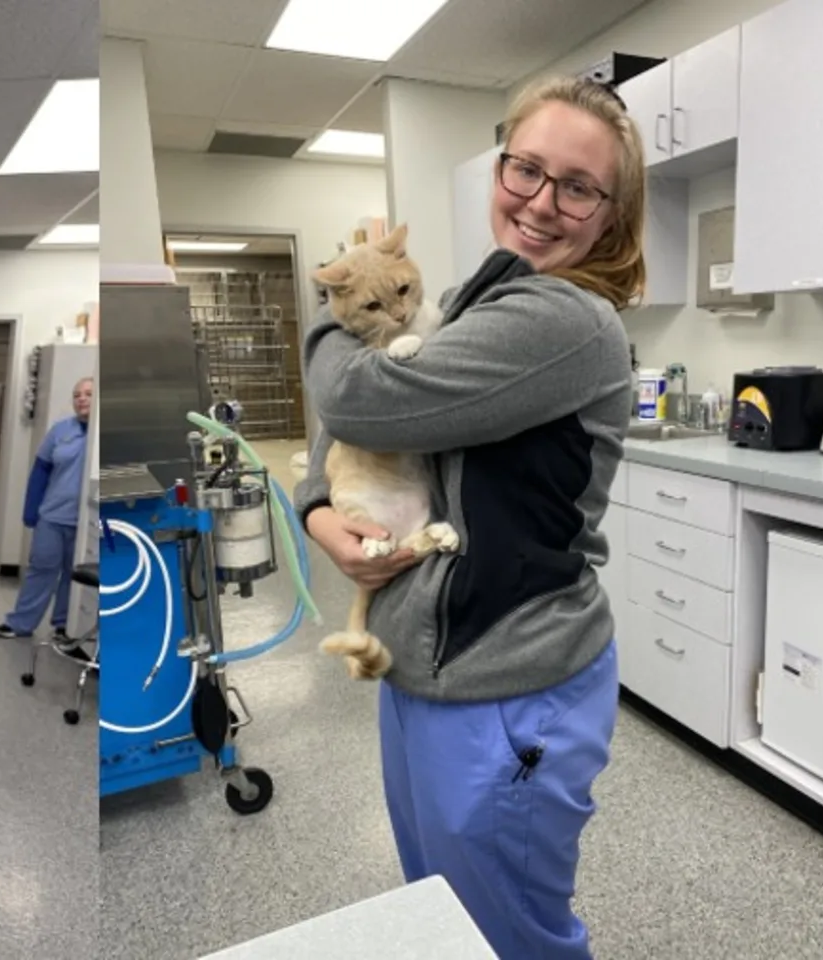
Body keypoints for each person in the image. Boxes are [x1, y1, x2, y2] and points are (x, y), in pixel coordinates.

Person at [294, 75, 642, 960]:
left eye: (577, 186)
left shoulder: (565, 321)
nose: (540, 201)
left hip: (507, 681)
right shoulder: (487, 294)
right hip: (423, 668)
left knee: (510, 938)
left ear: (611, 214)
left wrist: (330, 319)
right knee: (443, 919)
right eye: (524, 168)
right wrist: (318, 511)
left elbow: (363, 400)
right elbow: (353, 428)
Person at [0, 376, 94, 655]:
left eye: (88, 394)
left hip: (86, 522)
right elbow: (40, 473)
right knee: (41, 570)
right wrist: (31, 511)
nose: (81, 399)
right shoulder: (60, 431)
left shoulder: (101, 435)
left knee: (74, 577)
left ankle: (65, 626)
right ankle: (21, 623)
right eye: (77, 395)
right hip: (52, 516)